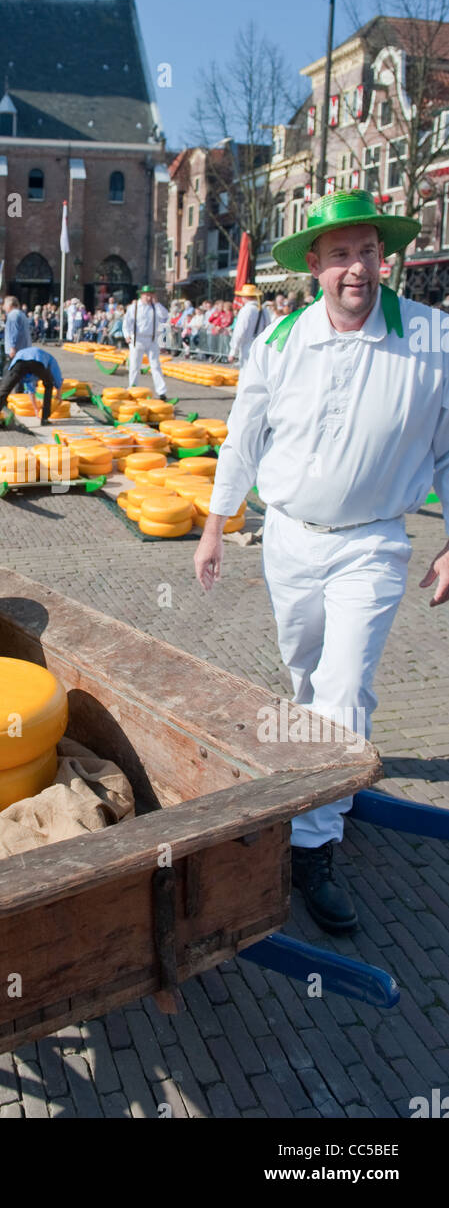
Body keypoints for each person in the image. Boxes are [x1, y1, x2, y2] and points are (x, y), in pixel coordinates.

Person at [194, 188, 449, 934]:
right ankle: (344, 765)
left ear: (383, 257)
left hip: (372, 542)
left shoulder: (432, 339)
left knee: (342, 681)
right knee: (306, 673)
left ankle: (311, 844)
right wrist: (215, 523)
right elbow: (242, 437)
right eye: (339, 255)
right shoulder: (279, 341)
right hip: (288, 539)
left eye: (367, 252)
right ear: (313, 265)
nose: (355, 269)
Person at [0, 344, 63, 428]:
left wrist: (36, 409)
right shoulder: (50, 359)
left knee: (4, 391)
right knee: (49, 385)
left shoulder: (28, 356)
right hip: (37, 361)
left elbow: (30, 390)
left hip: (18, 363)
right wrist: (58, 395)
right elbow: (58, 378)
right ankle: (44, 419)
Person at [122, 284, 169, 396]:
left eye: (151, 295)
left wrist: (156, 303)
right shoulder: (134, 307)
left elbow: (165, 317)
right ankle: (132, 388)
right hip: (137, 339)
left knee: (155, 365)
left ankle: (161, 392)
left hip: (152, 339)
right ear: (141, 295)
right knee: (134, 365)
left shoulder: (156, 307)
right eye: (147, 295)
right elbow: (127, 322)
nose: (149, 297)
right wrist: (127, 335)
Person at [227, 283, 269, 366]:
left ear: (245, 297)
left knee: (246, 374)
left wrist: (233, 350)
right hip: (261, 346)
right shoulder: (264, 310)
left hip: (247, 346)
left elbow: (240, 331)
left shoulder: (246, 310)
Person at [3, 295, 31, 363]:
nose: (3, 307)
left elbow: (14, 332)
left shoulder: (13, 315)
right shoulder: (21, 314)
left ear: (10, 305)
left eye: (4, 304)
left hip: (16, 350)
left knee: (12, 371)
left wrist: (12, 348)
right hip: (24, 348)